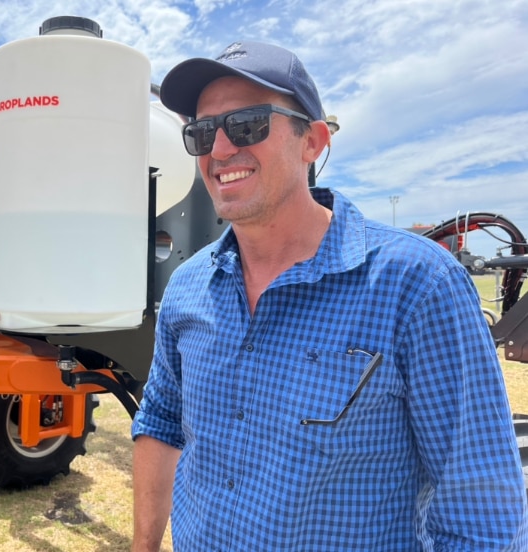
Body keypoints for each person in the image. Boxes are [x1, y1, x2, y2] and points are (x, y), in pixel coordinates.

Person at [131, 40, 528, 551]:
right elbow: (161, 419)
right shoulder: (187, 288)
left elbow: (478, 510)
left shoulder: (417, 284)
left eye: (247, 124)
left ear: (313, 141)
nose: (220, 150)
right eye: (201, 132)